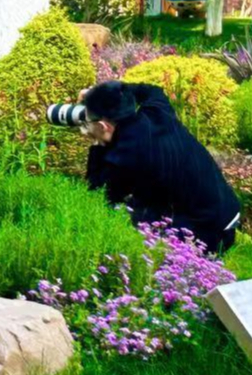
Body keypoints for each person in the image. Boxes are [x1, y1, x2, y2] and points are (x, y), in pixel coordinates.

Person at [77, 80, 241, 255]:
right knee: (145, 200)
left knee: (126, 217)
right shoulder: (157, 111)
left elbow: (97, 194)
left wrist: (97, 143)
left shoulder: (125, 156)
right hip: (226, 210)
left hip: (206, 230)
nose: (85, 125)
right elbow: (151, 89)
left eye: (87, 122)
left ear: (104, 126)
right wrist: (100, 94)